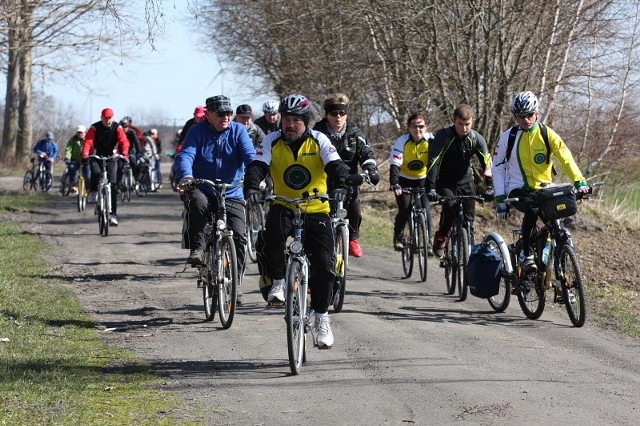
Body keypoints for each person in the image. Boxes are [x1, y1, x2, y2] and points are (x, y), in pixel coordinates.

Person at [244, 94, 350, 349]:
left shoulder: (319, 139)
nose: (290, 125)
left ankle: (322, 317)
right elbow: (258, 165)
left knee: (325, 264)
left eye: (296, 121)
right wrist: (251, 187)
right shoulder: (272, 140)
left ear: (305, 122)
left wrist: (342, 185)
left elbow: (336, 166)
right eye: (286, 120)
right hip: (284, 203)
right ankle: (279, 283)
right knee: (271, 236)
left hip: (316, 207)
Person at [492, 91, 589, 272]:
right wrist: (500, 196)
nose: (525, 120)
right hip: (517, 188)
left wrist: (579, 182)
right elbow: (496, 167)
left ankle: (556, 265)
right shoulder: (508, 137)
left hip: (543, 188)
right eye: (520, 116)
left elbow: (565, 157)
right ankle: (526, 253)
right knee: (532, 209)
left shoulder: (547, 134)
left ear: (537, 113)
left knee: (554, 220)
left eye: (529, 115)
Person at [175, 95, 255, 305]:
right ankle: (199, 249)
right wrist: (186, 175)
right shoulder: (197, 131)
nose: (226, 117)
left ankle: (235, 284)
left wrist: (257, 176)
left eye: (229, 113)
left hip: (232, 191)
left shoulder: (239, 130)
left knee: (239, 236)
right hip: (204, 187)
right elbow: (186, 155)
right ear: (208, 114)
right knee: (197, 203)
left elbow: (249, 155)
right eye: (220, 114)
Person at [312, 93, 379, 257]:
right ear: (327, 115)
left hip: (349, 182)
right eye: (334, 114)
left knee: (355, 205)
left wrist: (371, 169)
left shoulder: (355, 134)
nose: (338, 117)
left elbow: (367, 153)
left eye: (342, 114)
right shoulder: (315, 134)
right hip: (323, 183)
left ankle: (353, 237)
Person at [427, 104, 493, 258]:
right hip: (445, 181)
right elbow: (433, 161)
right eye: (460, 124)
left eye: (467, 124)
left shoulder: (476, 138)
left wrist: (490, 185)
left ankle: (468, 252)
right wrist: (430, 187)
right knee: (451, 208)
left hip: (466, 181)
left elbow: (487, 161)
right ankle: (442, 235)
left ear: (473, 122)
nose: (464, 128)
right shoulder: (444, 136)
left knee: (468, 220)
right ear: (454, 121)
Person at [389, 112, 434, 251]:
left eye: (421, 126)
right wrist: (395, 183)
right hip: (404, 180)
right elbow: (395, 164)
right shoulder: (402, 141)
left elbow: (437, 161)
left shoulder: (431, 140)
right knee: (405, 209)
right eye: (414, 126)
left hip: (423, 179)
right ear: (408, 127)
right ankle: (399, 237)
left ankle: (429, 241)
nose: (418, 129)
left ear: (426, 127)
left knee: (426, 209)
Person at [82, 108, 130, 226]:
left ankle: (113, 214)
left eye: (110, 118)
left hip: (111, 158)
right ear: (101, 117)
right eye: (105, 118)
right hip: (96, 156)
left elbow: (124, 141)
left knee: (113, 186)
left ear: (112, 118)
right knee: (96, 172)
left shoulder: (117, 127)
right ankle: (93, 192)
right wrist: (85, 154)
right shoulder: (94, 127)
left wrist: (124, 153)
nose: (108, 121)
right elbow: (88, 141)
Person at [63, 125, 86, 193]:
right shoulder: (73, 139)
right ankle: (74, 184)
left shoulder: (88, 139)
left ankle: (89, 188)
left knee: (88, 173)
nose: (80, 134)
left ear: (85, 132)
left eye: (81, 132)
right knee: (71, 167)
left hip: (86, 159)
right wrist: (67, 158)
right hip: (75, 159)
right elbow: (68, 149)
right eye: (78, 132)